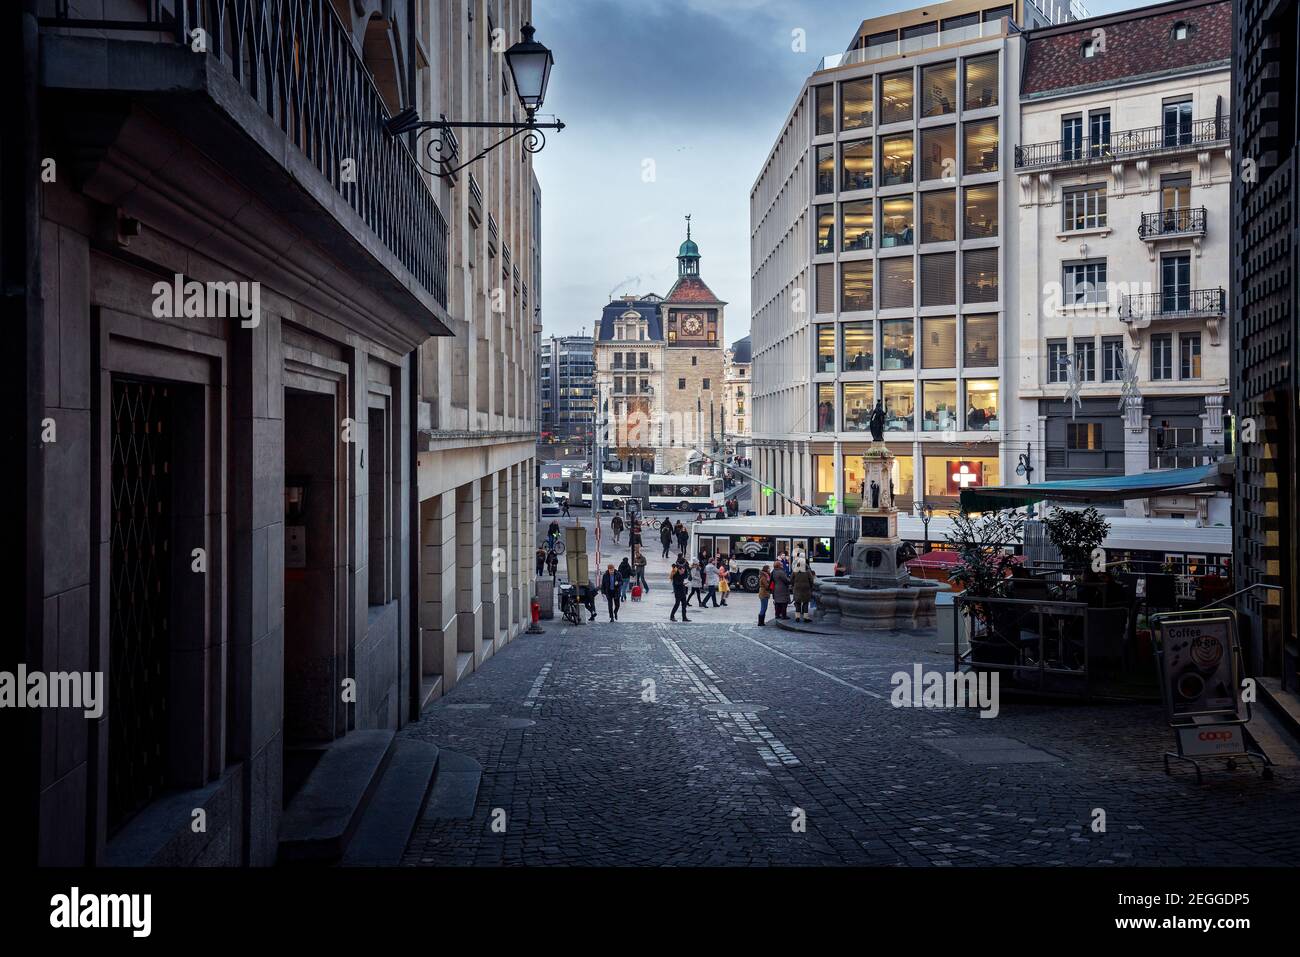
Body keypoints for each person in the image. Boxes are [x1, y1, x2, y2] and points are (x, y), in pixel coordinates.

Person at [791, 558, 815, 623]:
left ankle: (797, 617)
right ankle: (805, 617)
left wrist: (794, 585)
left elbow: (791, 580)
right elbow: (811, 580)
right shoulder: (807, 571)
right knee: (805, 603)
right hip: (806, 589)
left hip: (797, 589)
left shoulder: (795, 571)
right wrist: (811, 587)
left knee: (798, 603)